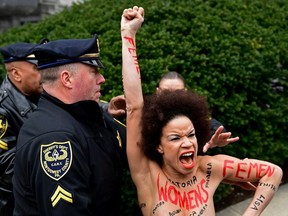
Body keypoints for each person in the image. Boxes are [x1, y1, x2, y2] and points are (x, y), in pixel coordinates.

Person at [121, 6, 283, 216]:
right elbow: (134, 108)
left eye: (191, 135)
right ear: (159, 146)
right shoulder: (148, 174)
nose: (187, 143)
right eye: (175, 138)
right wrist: (128, 35)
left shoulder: (209, 168)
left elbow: (273, 173)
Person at [12, 35, 126, 215]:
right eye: (94, 72)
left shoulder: (86, 117)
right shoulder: (54, 138)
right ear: (67, 79)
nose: (102, 79)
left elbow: (138, 144)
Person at [0, 42, 44, 216]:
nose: (46, 73)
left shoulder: (40, 91)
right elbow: (6, 166)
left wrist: (104, 109)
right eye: (38, 69)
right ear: (16, 74)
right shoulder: (2, 109)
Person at [156, 71, 239, 153]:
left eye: (177, 92)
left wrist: (216, 140)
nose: (172, 97)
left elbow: (213, 127)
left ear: (185, 92)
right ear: (158, 92)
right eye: (166, 92)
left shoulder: (193, 112)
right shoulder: (148, 114)